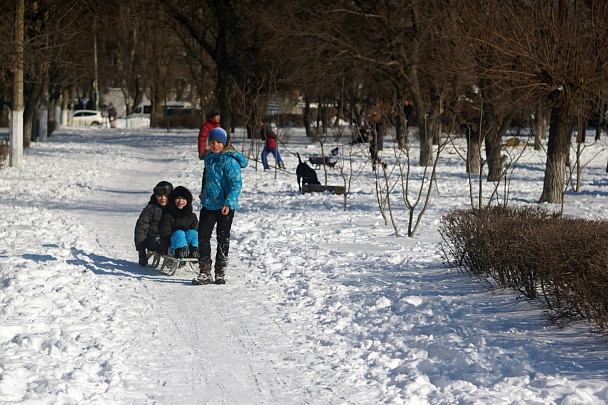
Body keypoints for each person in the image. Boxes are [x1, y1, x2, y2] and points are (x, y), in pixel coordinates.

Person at [193, 127, 248, 285]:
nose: (215, 145)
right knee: (202, 237)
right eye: (212, 142)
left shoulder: (230, 161)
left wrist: (228, 203)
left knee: (222, 237)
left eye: (218, 142)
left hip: (225, 206)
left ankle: (220, 272)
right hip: (209, 204)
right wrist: (204, 191)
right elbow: (207, 176)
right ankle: (204, 271)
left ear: (224, 143)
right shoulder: (209, 158)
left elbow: (236, 184)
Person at [134, 181, 173, 266]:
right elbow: (141, 229)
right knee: (160, 240)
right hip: (153, 239)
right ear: (156, 196)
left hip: (170, 236)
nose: (163, 198)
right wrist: (141, 251)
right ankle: (169, 254)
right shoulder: (150, 210)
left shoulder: (174, 209)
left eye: (166, 196)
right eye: (160, 196)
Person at [159, 186, 199, 260]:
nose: (180, 201)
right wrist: (167, 246)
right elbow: (164, 232)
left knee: (192, 232)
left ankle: (194, 249)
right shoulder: (168, 216)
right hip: (172, 245)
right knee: (179, 233)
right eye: (178, 198)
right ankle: (180, 250)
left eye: (184, 198)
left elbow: (197, 231)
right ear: (173, 200)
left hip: (189, 244)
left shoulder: (192, 216)